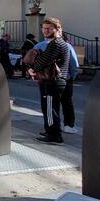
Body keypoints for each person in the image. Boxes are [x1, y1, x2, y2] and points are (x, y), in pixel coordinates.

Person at [29, 17, 71, 145]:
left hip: (53, 81)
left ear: (57, 29)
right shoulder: (59, 43)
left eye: (49, 28)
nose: (46, 31)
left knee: (50, 109)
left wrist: (31, 69)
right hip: (54, 80)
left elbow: (43, 61)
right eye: (44, 28)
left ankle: (54, 135)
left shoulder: (56, 44)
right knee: (51, 108)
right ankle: (50, 130)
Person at [34, 30, 80, 134]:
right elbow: (74, 65)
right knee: (67, 102)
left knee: (48, 106)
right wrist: (71, 76)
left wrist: (37, 76)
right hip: (64, 78)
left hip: (45, 80)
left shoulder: (38, 46)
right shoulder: (67, 46)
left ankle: (50, 129)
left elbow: (32, 63)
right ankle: (68, 125)